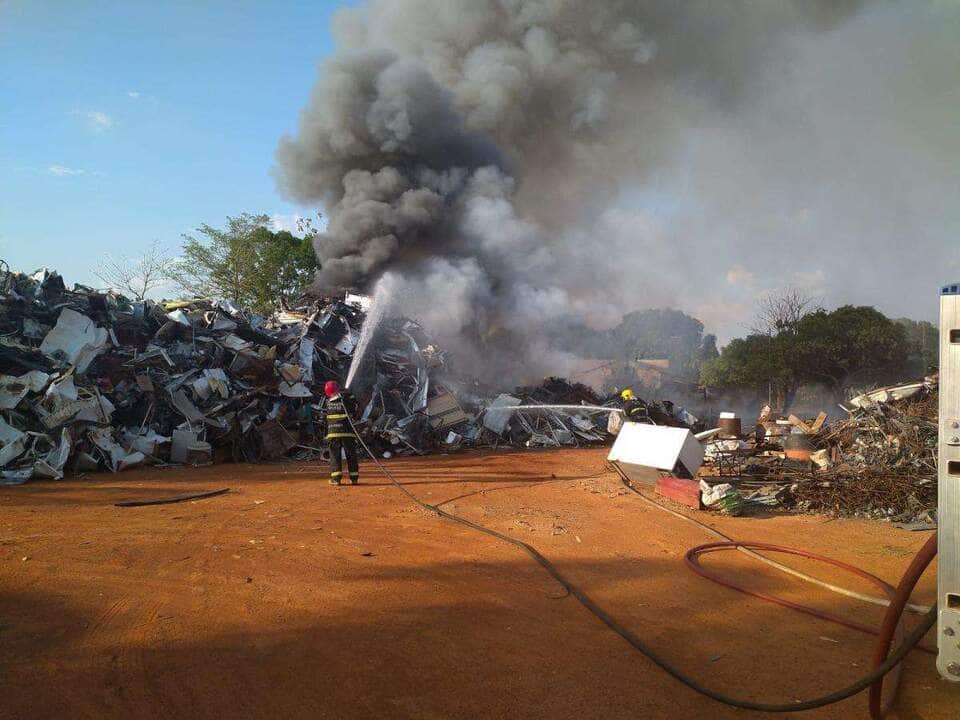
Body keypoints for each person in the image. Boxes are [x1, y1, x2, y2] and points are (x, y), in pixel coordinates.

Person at [323, 380, 360, 485]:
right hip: (347, 432)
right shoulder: (347, 400)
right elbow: (356, 407)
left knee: (335, 455)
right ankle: (354, 478)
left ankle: (336, 479)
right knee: (351, 454)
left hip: (333, 433)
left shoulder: (328, 403)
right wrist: (349, 394)